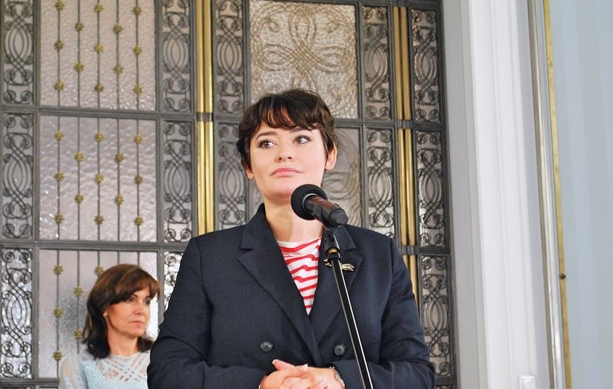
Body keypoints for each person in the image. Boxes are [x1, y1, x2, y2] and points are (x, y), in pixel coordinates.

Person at [148, 88, 434, 389]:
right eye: (267, 142)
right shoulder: (210, 256)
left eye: (301, 139)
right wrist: (260, 385)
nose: (284, 153)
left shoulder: (378, 254)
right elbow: (168, 372)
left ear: (330, 154)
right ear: (248, 165)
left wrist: (338, 378)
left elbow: (417, 374)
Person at [60, 263, 161, 389]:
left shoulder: (162, 362)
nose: (141, 310)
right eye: (130, 299)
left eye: (146, 301)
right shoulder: (79, 366)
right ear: (104, 307)